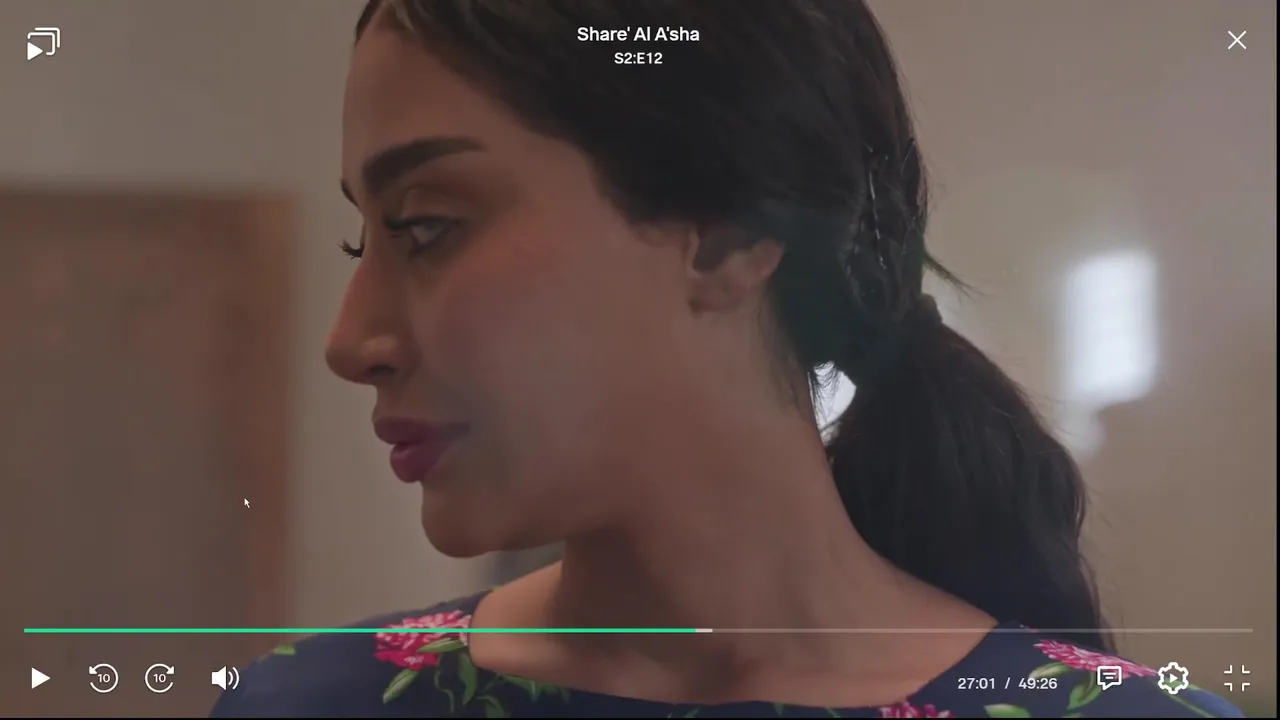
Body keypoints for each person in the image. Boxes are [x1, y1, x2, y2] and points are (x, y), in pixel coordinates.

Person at [212, 1, 1243, 717]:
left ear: (729, 234)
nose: (349, 342)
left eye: (426, 225)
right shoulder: (312, 706)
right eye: (362, 240)